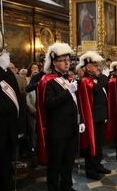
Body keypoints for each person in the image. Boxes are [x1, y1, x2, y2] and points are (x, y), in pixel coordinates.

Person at [36, 43, 85, 191]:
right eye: (63, 60)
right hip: (57, 129)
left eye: (68, 60)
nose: (67, 63)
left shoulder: (69, 79)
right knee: (55, 162)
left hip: (71, 127)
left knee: (68, 160)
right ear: (54, 62)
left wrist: (80, 120)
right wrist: (67, 92)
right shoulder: (48, 80)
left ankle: (66, 185)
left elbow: (77, 103)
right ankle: (53, 187)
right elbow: (49, 104)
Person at [0, 25, 24, 191]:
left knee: (4, 178)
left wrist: (20, 127)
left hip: (6, 137)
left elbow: (16, 101)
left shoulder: (6, 73)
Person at [76, 51, 111, 180]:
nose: (98, 68)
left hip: (100, 116)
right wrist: (104, 76)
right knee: (92, 144)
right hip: (92, 118)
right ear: (88, 67)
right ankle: (91, 170)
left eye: (98, 65)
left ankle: (98, 164)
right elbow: (95, 89)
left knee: (99, 143)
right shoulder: (86, 80)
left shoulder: (95, 79)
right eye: (95, 66)